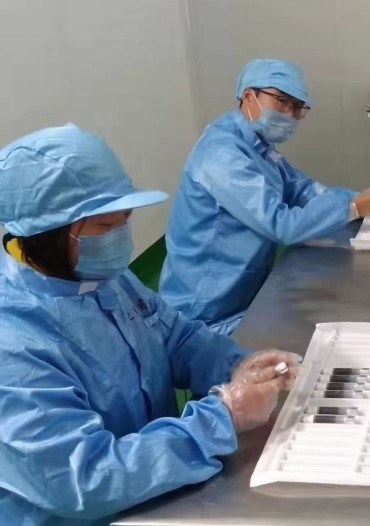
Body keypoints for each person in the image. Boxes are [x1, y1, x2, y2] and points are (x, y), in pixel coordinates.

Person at [0, 124, 301, 525]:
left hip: (155, 491)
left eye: (125, 219)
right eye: (104, 227)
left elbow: (174, 337)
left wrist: (237, 364)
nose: (120, 237)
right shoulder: (13, 341)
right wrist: (222, 417)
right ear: (46, 235)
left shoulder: (97, 275)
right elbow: (84, 481)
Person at [160, 59, 370, 335]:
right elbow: (282, 225)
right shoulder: (222, 155)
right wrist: (354, 206)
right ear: (249, 96)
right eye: (282, 102)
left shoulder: (256, 144)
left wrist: (368, 201)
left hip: (243, 294)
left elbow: (301, 189)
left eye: (297, 107)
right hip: (206, 314)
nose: (290, 114)